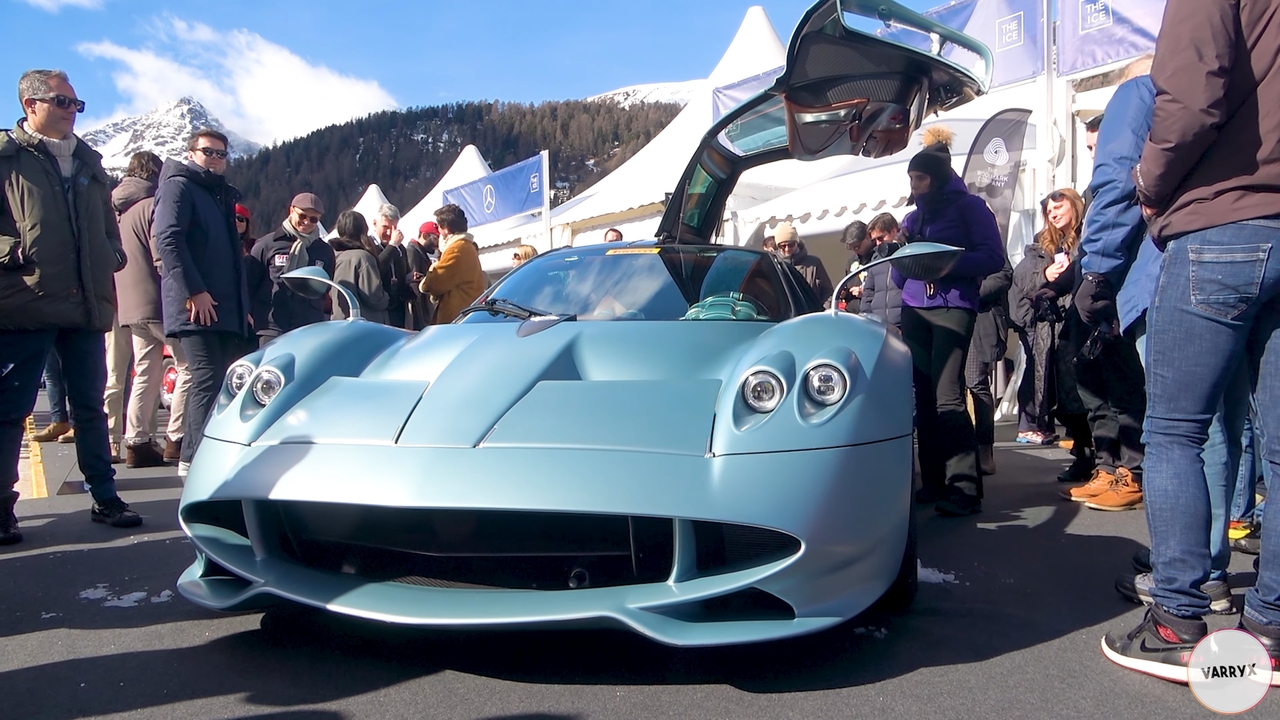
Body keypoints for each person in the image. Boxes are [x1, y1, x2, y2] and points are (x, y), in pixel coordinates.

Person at [1101, 0, 1280, 680]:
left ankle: (1177, 616)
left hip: (1223, 222)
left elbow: (1191, 95)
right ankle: (1272, 622)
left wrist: (1148, 181)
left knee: (1176, 430)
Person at [1, 69, 143, 542]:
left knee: (90, 407)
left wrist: (112, 254)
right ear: (30, 105)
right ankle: (3, 507)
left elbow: (107, 224)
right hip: (26, 303)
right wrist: (12, 251)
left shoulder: (88, 162)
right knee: (11, 409)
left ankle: (104, 496)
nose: (72, 111)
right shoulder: (7, 157)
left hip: (85, 303)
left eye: (76, 104)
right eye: (63, 102)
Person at [893, 126, 1006, 516]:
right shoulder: (911, 219)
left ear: (937, 177)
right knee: (922, 396)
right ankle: (935, 480)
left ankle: (964, 488)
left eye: (920, 177)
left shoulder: (970, 208)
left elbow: (993, 257)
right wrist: (899, 260)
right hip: (914, 309)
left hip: (953, 307)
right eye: (910, 178)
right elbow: (899, 275)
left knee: (947, 396)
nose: (915, 184)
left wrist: (945, 265)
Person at [153, 128, 250, 479]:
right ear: (191, 153)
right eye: (208, 152)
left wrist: (243, 305)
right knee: (205, 379)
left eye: (221, 154)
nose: (214, 159)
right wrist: (195, 290)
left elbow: (230, 256)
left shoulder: (220, 194)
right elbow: (168, 240)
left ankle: (205, 456)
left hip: (225, 306)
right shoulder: (178, 186)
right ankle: (192, 461)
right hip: (196, 304)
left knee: (221, 381)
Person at [114, 150, 187, 468]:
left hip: (129, 304)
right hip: (158, 302)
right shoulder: (153, 207)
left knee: (144, 372)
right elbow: (163, 259)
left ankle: (137, 442)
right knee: (188, 367)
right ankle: (177, 438)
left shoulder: (120, 211)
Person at [246, 192, 335, 345]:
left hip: (309, 325)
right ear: (291, 211)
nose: (307, 222)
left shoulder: (324, 251)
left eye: (313, 219)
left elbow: (325, 287)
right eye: (302, 216)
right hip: (272, 326)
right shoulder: (267, 244)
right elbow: (249, 283)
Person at [967, 253, 1012, 476]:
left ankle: (985, 449)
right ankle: (963, 449)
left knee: (976, 382)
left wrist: (970, 293)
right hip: (951, 317)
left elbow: (1004, 276)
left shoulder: (987, 243)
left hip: (979, 320)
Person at [418, 204, 486, 325]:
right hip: (467, 315)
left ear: (446, 230)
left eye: (438, 228)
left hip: (456, 319)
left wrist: (430, 272)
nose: (438, 233)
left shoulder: (456, 249)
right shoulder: (467, 246)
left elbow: (433, 283)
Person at [329, 211, 390, 324]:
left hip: (339, 321)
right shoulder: (363, 258)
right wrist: (386, 297)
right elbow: (374, 296)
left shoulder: (332, 255)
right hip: (365, 325)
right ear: (363, 229)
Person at [369, 203, 410, 328]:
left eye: (394, 228)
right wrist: (392, 246)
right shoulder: (368, 245)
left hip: (397, 308)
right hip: (378, 309)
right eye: (385, 227)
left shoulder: (400, 248)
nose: (389, 232)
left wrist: (409, 279)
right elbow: (375, 270)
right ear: (375, 224)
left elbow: (404, 273)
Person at [859, 213, 904, 327]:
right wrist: (865, 317)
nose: (878, 243)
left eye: (881, 238)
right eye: (875, 240)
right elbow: (868, 292)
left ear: (894, 231)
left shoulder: (908, 254)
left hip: (904, 324)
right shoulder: (875, 259)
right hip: (879, 326)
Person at [774, 222, 832, 304]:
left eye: (791, 244)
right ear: (778, 246)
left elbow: (828, 291)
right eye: (782, 246)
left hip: (811, 313)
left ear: (797, 243)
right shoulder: (774, 264)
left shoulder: (813, 263)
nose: (787, 249)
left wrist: (823, 311)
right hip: (786, 315)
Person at [405, 220, 439, 330]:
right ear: (424, 235)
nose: (437, 243)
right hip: (419, 313)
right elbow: (414, 284)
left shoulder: (420, 252)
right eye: (435, 238)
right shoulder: (412, 251)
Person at [837, 220, 873, 312]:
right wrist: (844, 293)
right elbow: (847, 286)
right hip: (853, 315)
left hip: (872, 314)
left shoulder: (878, 259)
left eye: (857, 247)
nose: (854, 250)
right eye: (851, 248)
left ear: (868, 237)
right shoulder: (851, 261)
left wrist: (865, 292)